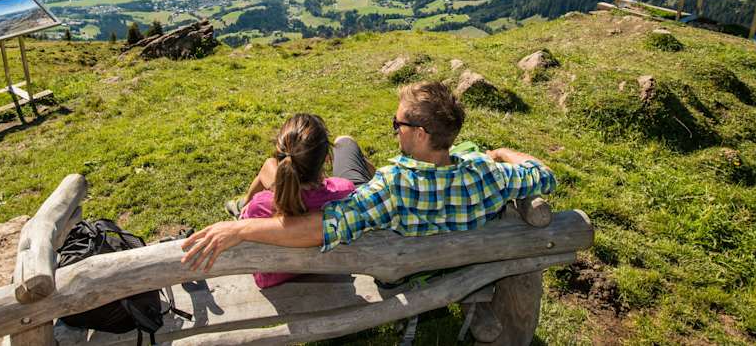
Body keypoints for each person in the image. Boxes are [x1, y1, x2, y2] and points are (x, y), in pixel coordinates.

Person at [183, 81, 556, 271]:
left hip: (402, 266)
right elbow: (543, 173)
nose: (395, 129)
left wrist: (239, 229)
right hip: (457, 258)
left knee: (346, 144)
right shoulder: (487, 175)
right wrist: (502, 153)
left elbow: (321, 228)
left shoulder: (391, 189)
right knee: (348, 151)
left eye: (399, 123)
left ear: (421, 134)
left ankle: (246, 203)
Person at [232, 113, 368, 288]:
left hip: (273, 280)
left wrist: (248, 207)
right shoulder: (345, 192)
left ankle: (241, 205)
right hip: (332, 270)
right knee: (349, 147)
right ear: (326, 158)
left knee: (265, 169)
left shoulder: (260, 206)